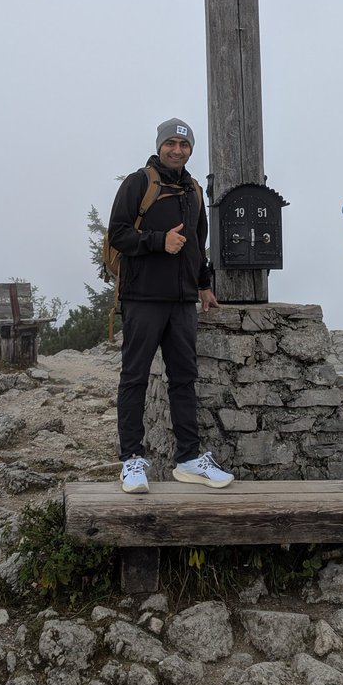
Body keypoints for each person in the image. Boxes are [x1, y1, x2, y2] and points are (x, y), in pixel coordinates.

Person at [108, 117, 235, 494]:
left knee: (184, 380)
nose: (177, 150)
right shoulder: (138, 183)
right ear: (160, 145)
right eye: (171, 143)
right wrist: (158, 241)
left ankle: (189, 460)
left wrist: (204, 285)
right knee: (134, 378)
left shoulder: (193, 190)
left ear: (190, 150)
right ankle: (131, 461)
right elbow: (118, 234)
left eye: (184, 144)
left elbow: (197, 243)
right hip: (143, 298)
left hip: (182, 302)